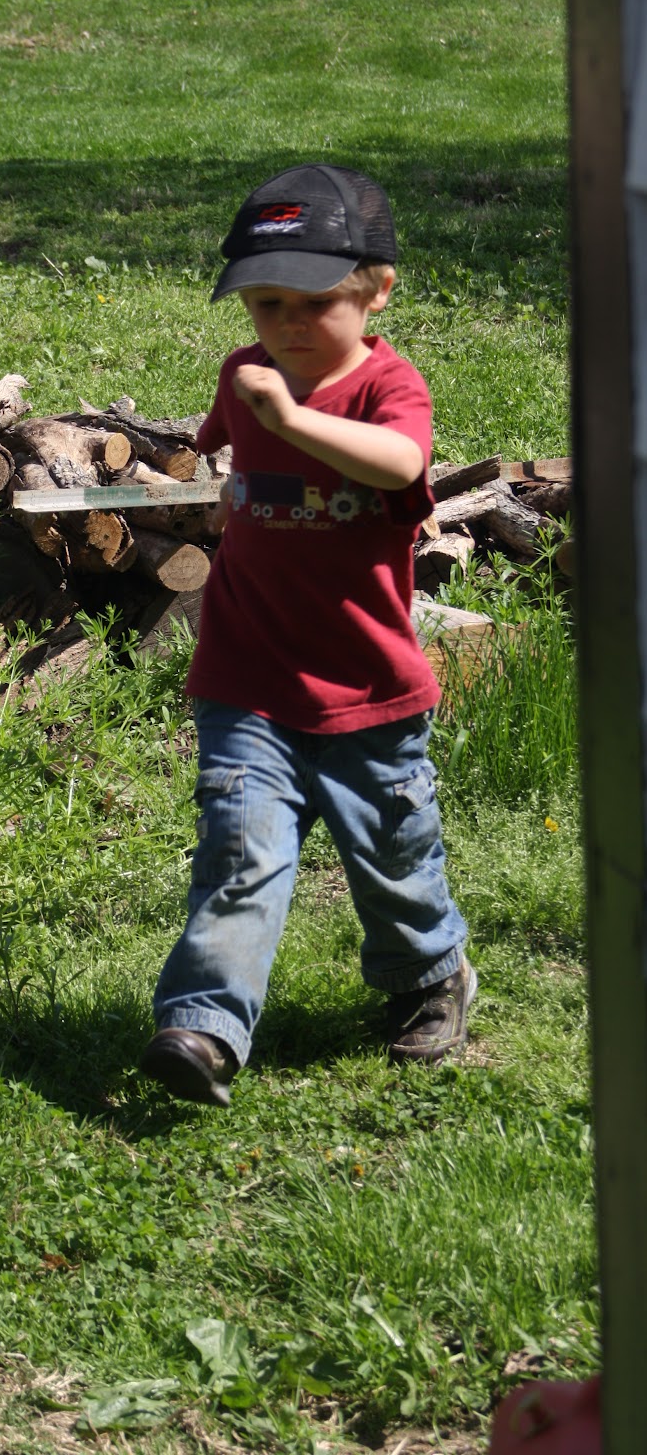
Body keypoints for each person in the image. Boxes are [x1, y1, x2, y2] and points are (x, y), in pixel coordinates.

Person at [140, 162, 473, 1108]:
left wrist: (290, 418)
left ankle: (428, 978)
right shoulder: (245, 375)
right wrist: (221, 475)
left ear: (376, 291)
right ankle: (204, 1028)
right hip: (246, 676)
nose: (286, 325)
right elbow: (225, 444)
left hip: (368, 687)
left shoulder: (385, 388)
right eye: (265, 305)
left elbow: (400, 462)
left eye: (314, 303)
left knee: (394, 862)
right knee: (238, 854)